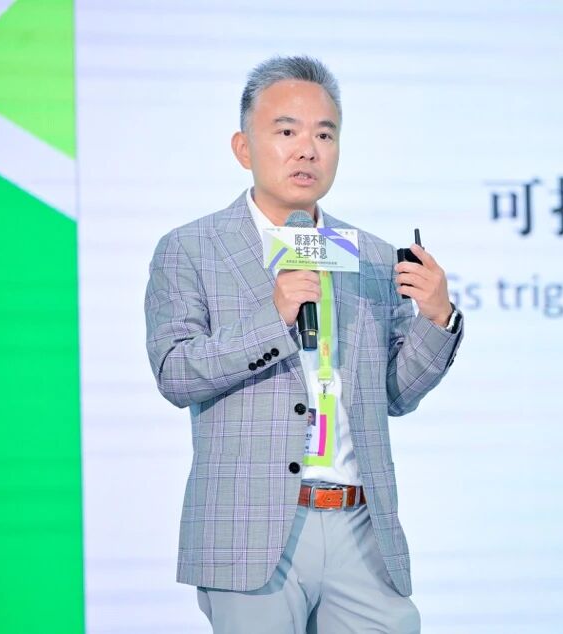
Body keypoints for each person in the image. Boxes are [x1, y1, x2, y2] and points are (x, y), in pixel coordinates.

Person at [144, 55, 463, 633]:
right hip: (252, 529)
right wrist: (273, 319)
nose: (307, 150)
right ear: (244, 148)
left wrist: (436, 318)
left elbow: (395, 393)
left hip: (360, 524)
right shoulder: (191, 248)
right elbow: (176, 371)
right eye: (287, 132)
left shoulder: (368, 254)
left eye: (324, 134)